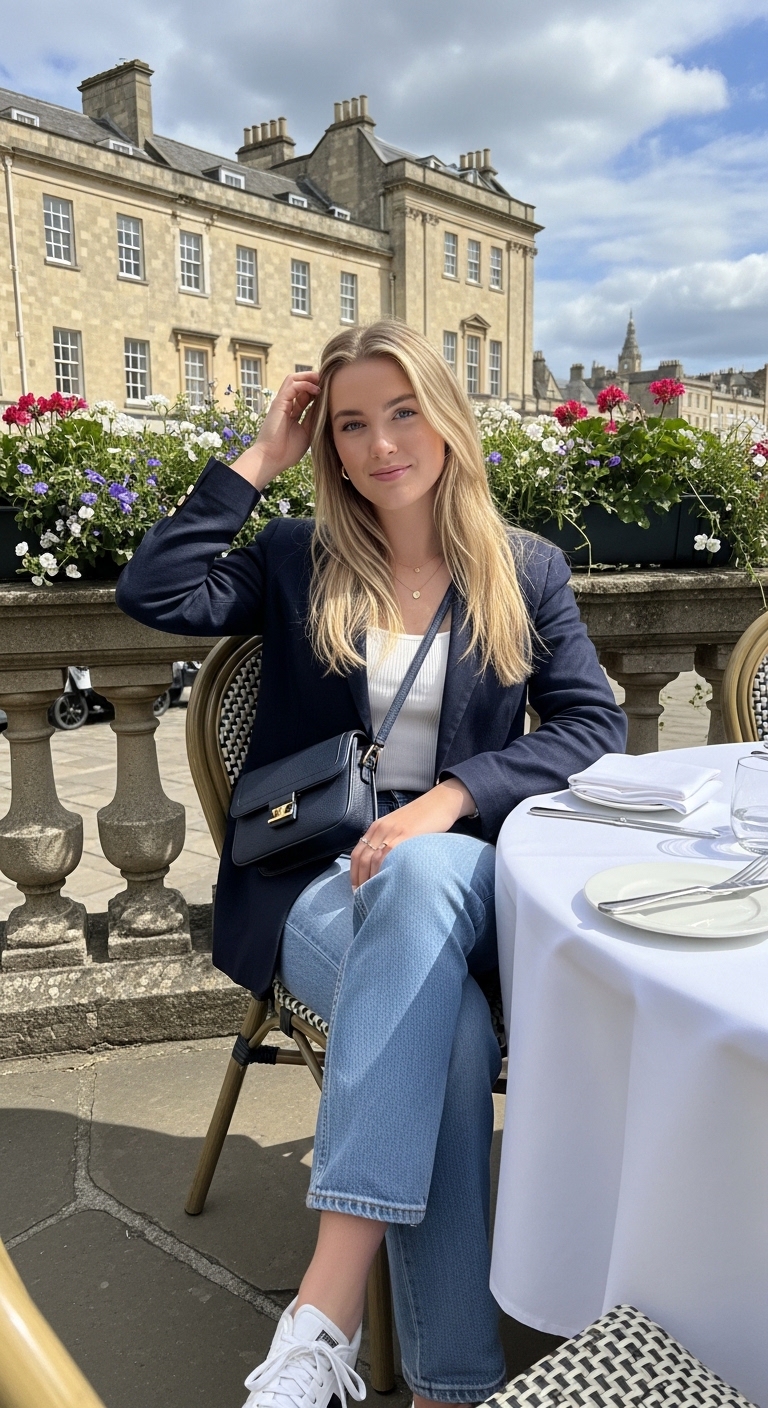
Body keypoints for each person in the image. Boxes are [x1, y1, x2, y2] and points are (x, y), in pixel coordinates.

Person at [116, 320, 626, 1408]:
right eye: (351, 423)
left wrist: (451, 799)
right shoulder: (298, 558)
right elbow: (151, 592)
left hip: (460, 883)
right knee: (452, 1034)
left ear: (446, 419)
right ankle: (451, 1384)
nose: (382, 441)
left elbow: (595, 726)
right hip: (312, 888)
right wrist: (259, 456)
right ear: (330, 445)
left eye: (403, 412)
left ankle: (324, 1314)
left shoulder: (521, 567)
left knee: (430, 874)